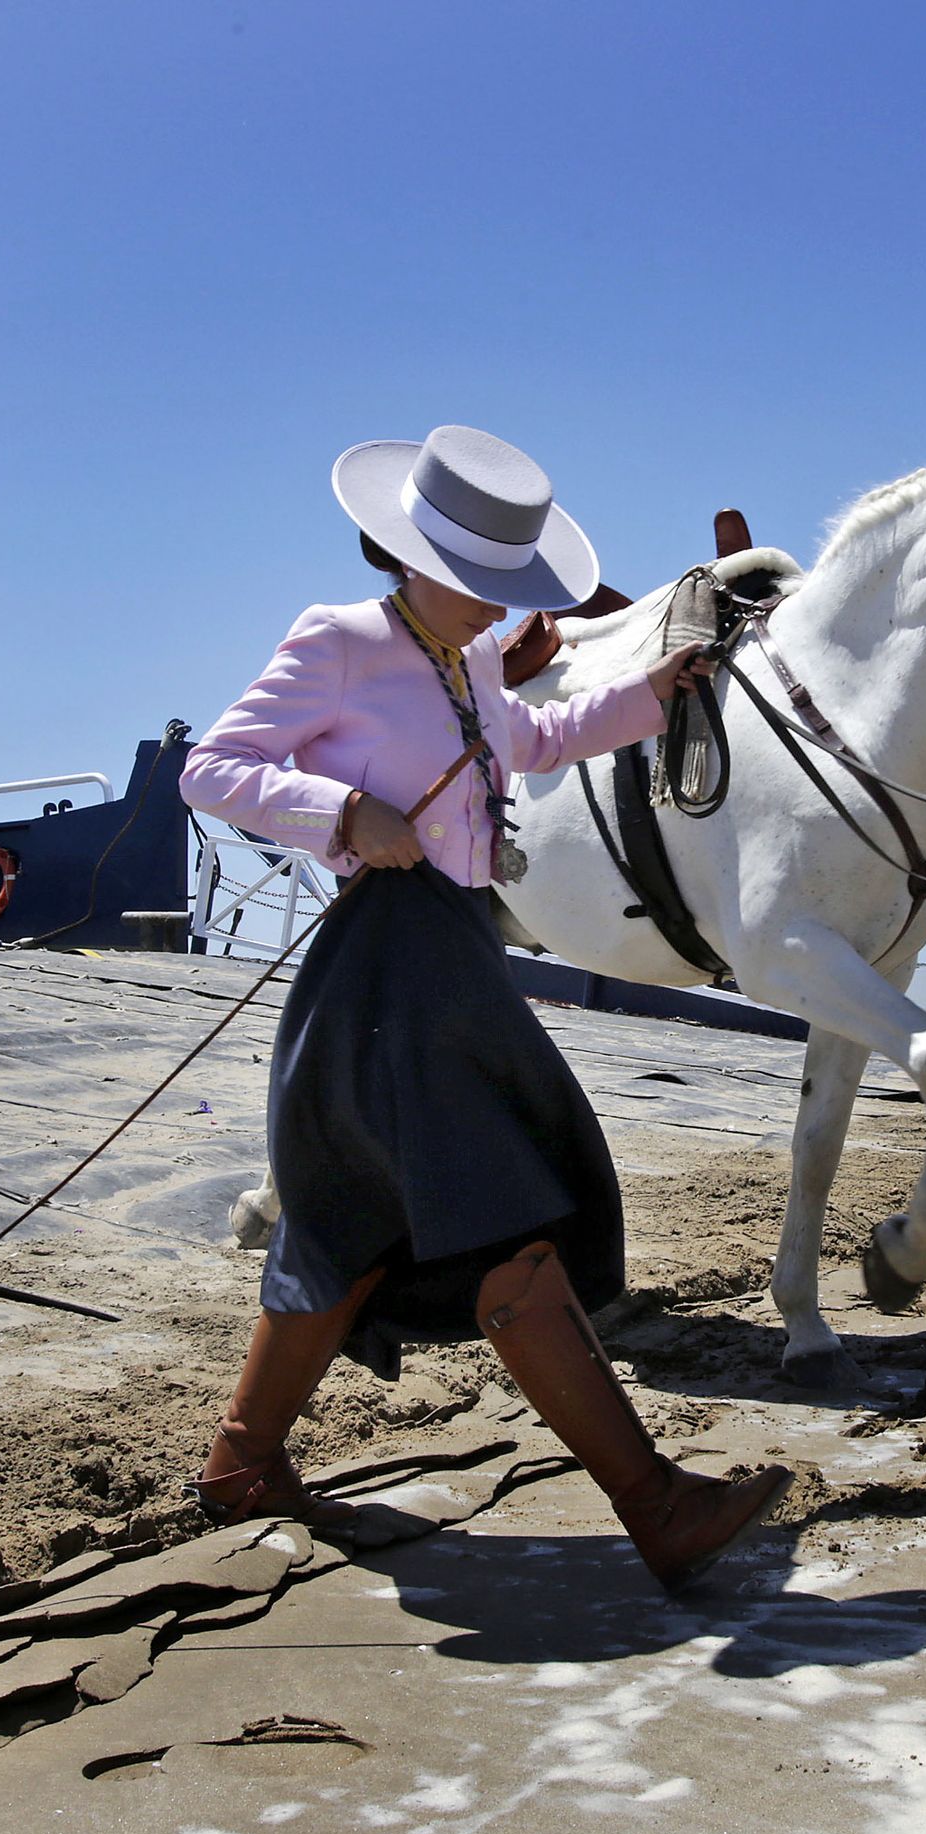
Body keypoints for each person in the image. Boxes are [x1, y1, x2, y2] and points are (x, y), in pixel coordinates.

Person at [179, 424, 790, 1591]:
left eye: (508, 586)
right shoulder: (342, 641)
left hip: (451, 958)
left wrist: (654, 691)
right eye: (479, 584)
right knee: (503, 1222)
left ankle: (242, 1463)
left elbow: (540, 738)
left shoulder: (470, 663)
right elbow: (213, 767)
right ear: (406, 555)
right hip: (386, 964)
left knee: (358, 1221)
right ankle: (654, 1506)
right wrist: (342, 814)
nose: (496, 607)